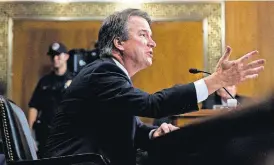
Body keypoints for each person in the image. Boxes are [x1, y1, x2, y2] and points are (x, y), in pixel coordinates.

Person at [43, 8, 265, 165]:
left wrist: (153, 133)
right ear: (118, 43)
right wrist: (216, 81)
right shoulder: (102, 72)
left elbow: (134, 129)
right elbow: (152, 105)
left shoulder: (110, 74)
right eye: (143, 35)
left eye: (151, 36)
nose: (152, 42)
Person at [28, 42, 73, 156]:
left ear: (66, 56)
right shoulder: (44, 81)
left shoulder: (75, 80)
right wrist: (28, 134)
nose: (55, 58)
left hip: (67, 134)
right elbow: (34, 106)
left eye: (58, 55)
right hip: (45, 135)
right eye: (52, 55)